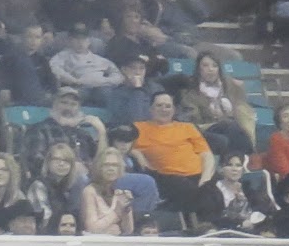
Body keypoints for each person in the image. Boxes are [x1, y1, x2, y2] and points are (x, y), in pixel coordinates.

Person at [133, 89, 214, 221]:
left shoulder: (187, 127)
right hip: (166, 177)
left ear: (174, 110)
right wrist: (137, 155)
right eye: (159, 105)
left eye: (168, 106)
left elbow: (206, 154)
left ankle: (210, 229)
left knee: (213, 194)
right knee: (194, 192)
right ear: (150, 109)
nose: (164, 109)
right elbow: (123, 146)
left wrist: (205, 179)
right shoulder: (138, 128)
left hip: (197, 176)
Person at [80, 147, 135, 236]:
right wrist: (116, 212)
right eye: (106, 165)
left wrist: (126, 210)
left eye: (115, 165)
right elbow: (92, 228)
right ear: (99, 167)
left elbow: (128, 230)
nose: (111, 169)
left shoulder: (119, 193)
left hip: (116, 243)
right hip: (95, 243)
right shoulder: (89, 191)